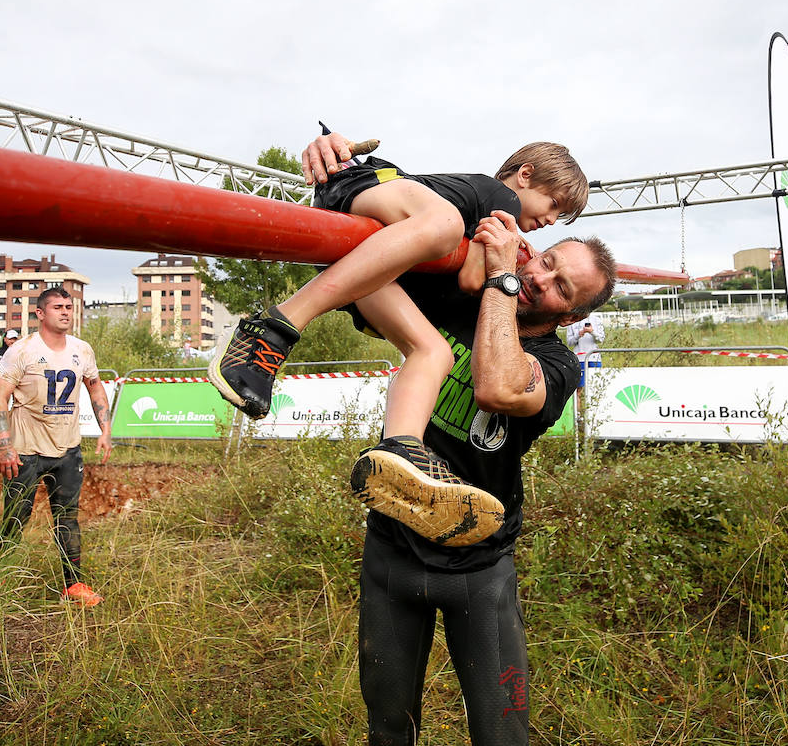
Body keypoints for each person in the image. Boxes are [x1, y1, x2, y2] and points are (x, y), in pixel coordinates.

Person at [303, 131, 618, 746]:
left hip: (478, 565)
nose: (540, 279)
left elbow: (498, 387)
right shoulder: (455, 291)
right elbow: (380, 238)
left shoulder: (557, 366)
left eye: (562, 287)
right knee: (389, 726)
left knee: (501, 733)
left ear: (574, 315)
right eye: (547, 260)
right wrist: (340, 163)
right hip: (393, 551)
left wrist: (502, 281)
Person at [209, 134, 589, 483]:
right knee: (444, 224)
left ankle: (401, 452)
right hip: (364, 188)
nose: (552, 220)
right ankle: (277, 325)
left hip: (372, 263)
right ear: (525, 175)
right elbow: (474, 280)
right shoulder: (499, 198)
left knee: (434, 352)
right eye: (555, 204)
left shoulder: (496, 221)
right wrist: (509, 253)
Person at [0, 287, 112, 606]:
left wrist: (105, 430)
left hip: (68, 450)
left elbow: (96, 389)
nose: (66, 312)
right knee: (17, 515)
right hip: (25, 450)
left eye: (69, 307)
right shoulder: (22, 350)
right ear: (40, 313)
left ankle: (74, 587)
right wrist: (5, 446)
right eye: (58, 307)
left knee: (68, 518)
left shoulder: (82, 349)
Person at [565, 315, 605, 387]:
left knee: (595, 386)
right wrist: (579, 335)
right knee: (579, 387)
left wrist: (592, 332)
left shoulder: (596, 319)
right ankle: (579, 398)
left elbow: (601, 339)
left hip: (594, 358)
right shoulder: (572, 321)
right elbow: (569, 342)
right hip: (579, 359)